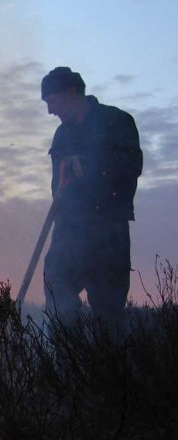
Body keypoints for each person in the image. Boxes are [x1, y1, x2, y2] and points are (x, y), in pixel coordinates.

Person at [40, 66, 142, 328]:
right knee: (56, 291)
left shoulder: (117, 121)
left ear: (72, 92)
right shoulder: (62, 134)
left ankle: (105, 353)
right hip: (69, 229)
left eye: (52, 100)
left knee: (108, 312)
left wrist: (86, 165)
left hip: (108, 228)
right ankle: (67, 348)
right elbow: (57, 184)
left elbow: (132, 165)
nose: (50, 110)